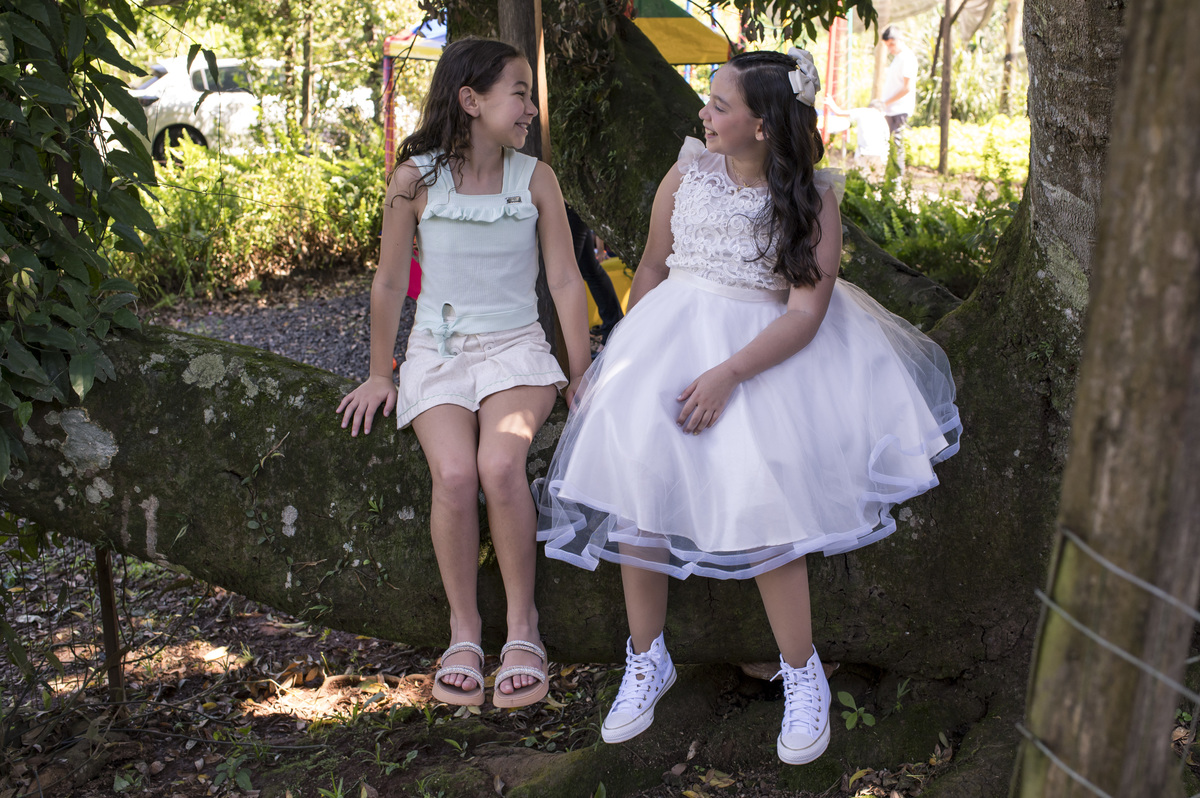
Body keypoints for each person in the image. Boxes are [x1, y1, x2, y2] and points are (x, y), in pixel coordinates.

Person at [535, 48, 960, 763]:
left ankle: (802, 673)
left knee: (764, 501)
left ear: (762, 126)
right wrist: (631, 355)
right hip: (668, 339)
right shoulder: (686, 171)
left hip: (766, 356)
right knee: (637, 491)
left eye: (721, 105)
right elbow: (649, 264)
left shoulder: (812, 198)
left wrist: (728, 375)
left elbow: (804, 315)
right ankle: (648, 657)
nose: (705, 112)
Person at [338, 37, 590, 709]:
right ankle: (464, 630)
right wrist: (380, 372)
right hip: (438, 350)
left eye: (530, 95)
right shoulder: (413, 180)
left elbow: (565, 280)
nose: (531, 107)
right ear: (471, 101)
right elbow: (390, 284)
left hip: (517, 352)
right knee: (452, 472)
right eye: (519, 92)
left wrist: (582, 370)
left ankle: (523, 630)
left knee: (500, 467)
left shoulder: (535, 179)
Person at [565, 204, 624, 343]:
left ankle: (575, 342)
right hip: (572, 205)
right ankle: (612, 329)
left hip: (569, 205)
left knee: (567, 277)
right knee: (589, 269)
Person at [880, 26, 918, 176]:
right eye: (887, 45)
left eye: (892, 44)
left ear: (900, 40)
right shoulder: (897, 58)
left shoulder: (907, 58)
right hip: (890, 110)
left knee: (897, 147)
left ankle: (897, 183)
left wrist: (886, 102)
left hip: (900, 110)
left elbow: (907, 88)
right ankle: (889, 180)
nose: (890, 48)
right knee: (888, 147)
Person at [823, 96, 890, 167]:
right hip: (881, 155)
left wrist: (830, 102)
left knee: (860, 176)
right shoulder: (884, 120)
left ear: (870, 106)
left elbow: (839, 112)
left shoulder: (864, 111)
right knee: (876, 176)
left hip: (864, 153)